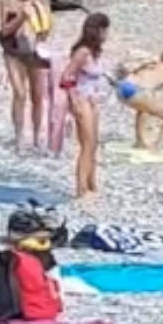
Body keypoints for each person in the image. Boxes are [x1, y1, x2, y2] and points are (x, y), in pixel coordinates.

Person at [0, 0, 53, 151]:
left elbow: (46, 31)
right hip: (13, 49)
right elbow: (4, 30)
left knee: (38, 96)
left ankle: (37, 138)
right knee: (20, 94)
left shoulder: (41, 0)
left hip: (34, 49)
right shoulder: (8, 0)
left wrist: (41, 13)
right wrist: (22, 17)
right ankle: (19, 136)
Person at [59, 13, 111, 200]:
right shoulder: (82, 52)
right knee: (86, 145)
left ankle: (91, 184)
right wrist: (74, 101)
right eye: (104, 29)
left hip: (92, 99)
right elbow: (66, 77)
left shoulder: (96, 52)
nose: (107, 34)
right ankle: (81, 189)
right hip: (81, 99)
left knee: (94, 144)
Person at [116, 43, 163, 151]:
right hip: (138, 92)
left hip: (123, 87)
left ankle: (139, 142)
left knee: (144, 109)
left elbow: (132, 55)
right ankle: (157, 147)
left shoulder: (153, 62)